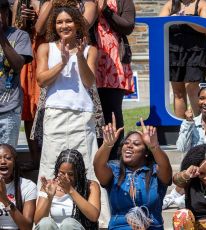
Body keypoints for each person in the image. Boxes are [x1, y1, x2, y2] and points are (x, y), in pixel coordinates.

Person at [34, 4, 100, 182]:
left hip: (82, 114)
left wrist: (78, 56)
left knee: (86, 166)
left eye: (69, 21)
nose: (64, 26)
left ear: (77, 23)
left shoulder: (90, 50)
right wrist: (62, 63)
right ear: (54, 26)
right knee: (51, 164)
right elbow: (41, 80)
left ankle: (91, 208)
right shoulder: (45, 48)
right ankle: (47, 209)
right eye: (59, 22)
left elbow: (89, 82)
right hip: (55, 113)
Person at [93, 117, 172, 229]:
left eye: (136, 144)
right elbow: (98, 165)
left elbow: (165, 166)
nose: (129, 146)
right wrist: (107, 145)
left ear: (146, 152)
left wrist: (154, 147)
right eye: (126, 143)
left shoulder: (155, 172)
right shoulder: (114, 171)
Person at [95, 0, 136, 160]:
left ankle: (114, 157)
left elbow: (128, 26)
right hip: (91, 56)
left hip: (114, 59)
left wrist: (106, 10)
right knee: (92, 111)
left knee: (112, 109)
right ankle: (96, 154)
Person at [159, 0, 206, 119]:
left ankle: (200, 125)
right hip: (174, 51)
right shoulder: (170, 4)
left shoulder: (201, 4)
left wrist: (186, 20)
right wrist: (171, 18)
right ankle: (181, 127)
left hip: (195, 51)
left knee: (193, 88)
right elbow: (158, 24)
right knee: (178, 91)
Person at [34, 149, 101, 229]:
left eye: (70, 174)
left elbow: (94, 216)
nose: (66, 177)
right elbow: (38, 222)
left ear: (79, 173)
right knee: (45, 223)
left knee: (68, 224)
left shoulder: (91, 186)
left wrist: (70, 190)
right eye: (61, 173)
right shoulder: (49, 186)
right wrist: (50, 197)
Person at [12, 0, 42, 170]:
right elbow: (14, 29)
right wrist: (23, 22)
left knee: (41, 106)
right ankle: (34, 158)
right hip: (25, 52)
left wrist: (38, 12)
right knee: (28, 108)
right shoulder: (19, 2)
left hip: (42, 49)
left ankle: (44, 157)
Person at [0, 0, 32, 147]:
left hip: (9, 111)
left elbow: (18, 65)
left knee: (5, 159)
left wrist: (1, 36)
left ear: (6, 13)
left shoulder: (20, 36)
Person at [0, 144, 36, 230]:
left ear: (14, 162)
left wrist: (5, 200)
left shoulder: (28, 186)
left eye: (8, 158)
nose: (2, 161)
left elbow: (27, 227)